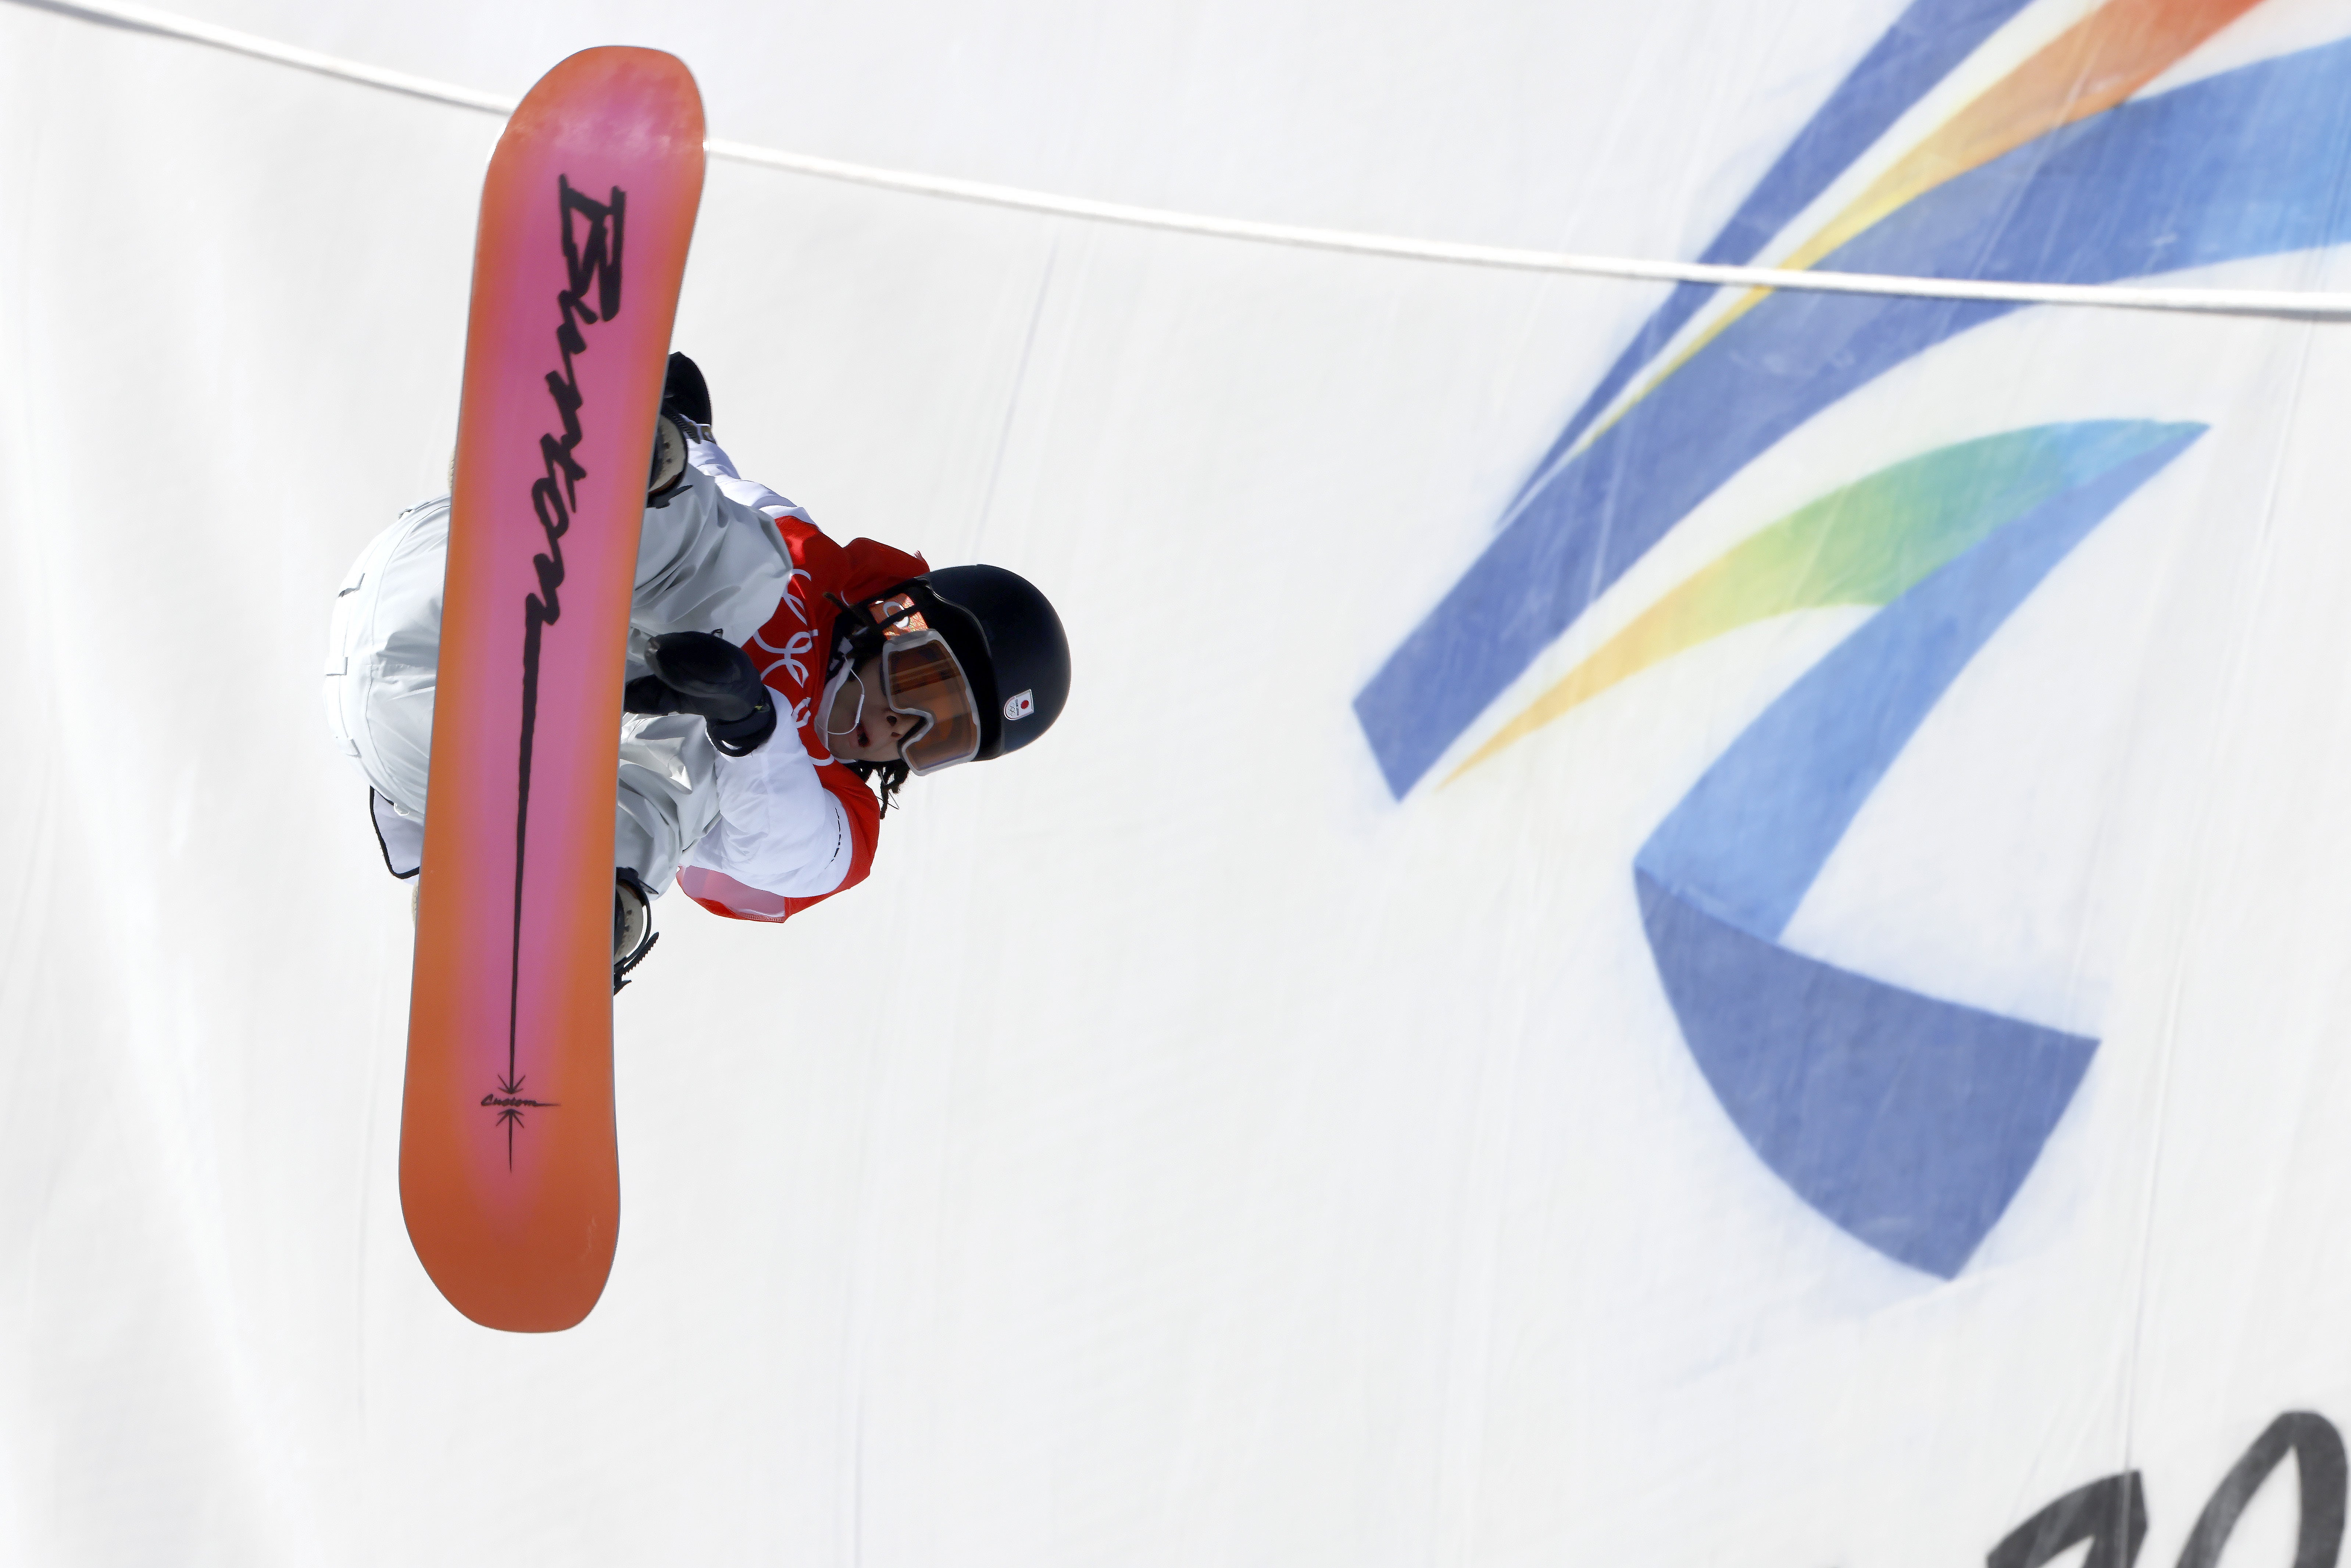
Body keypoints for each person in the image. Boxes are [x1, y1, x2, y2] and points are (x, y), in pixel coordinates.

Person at [323, 353, 1070, 988]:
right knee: (754, 564)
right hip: (452, 582)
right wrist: (674, 437)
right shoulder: (809, 566)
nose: (903, 730)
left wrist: (749, 724)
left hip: (457, 758)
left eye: (942, 739)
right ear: (897, 619)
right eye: (926, 684)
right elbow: (718, 500)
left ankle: (559, 909)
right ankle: (564, 484)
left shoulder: (842, 820)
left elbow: (785, 842)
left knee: (693, 777)